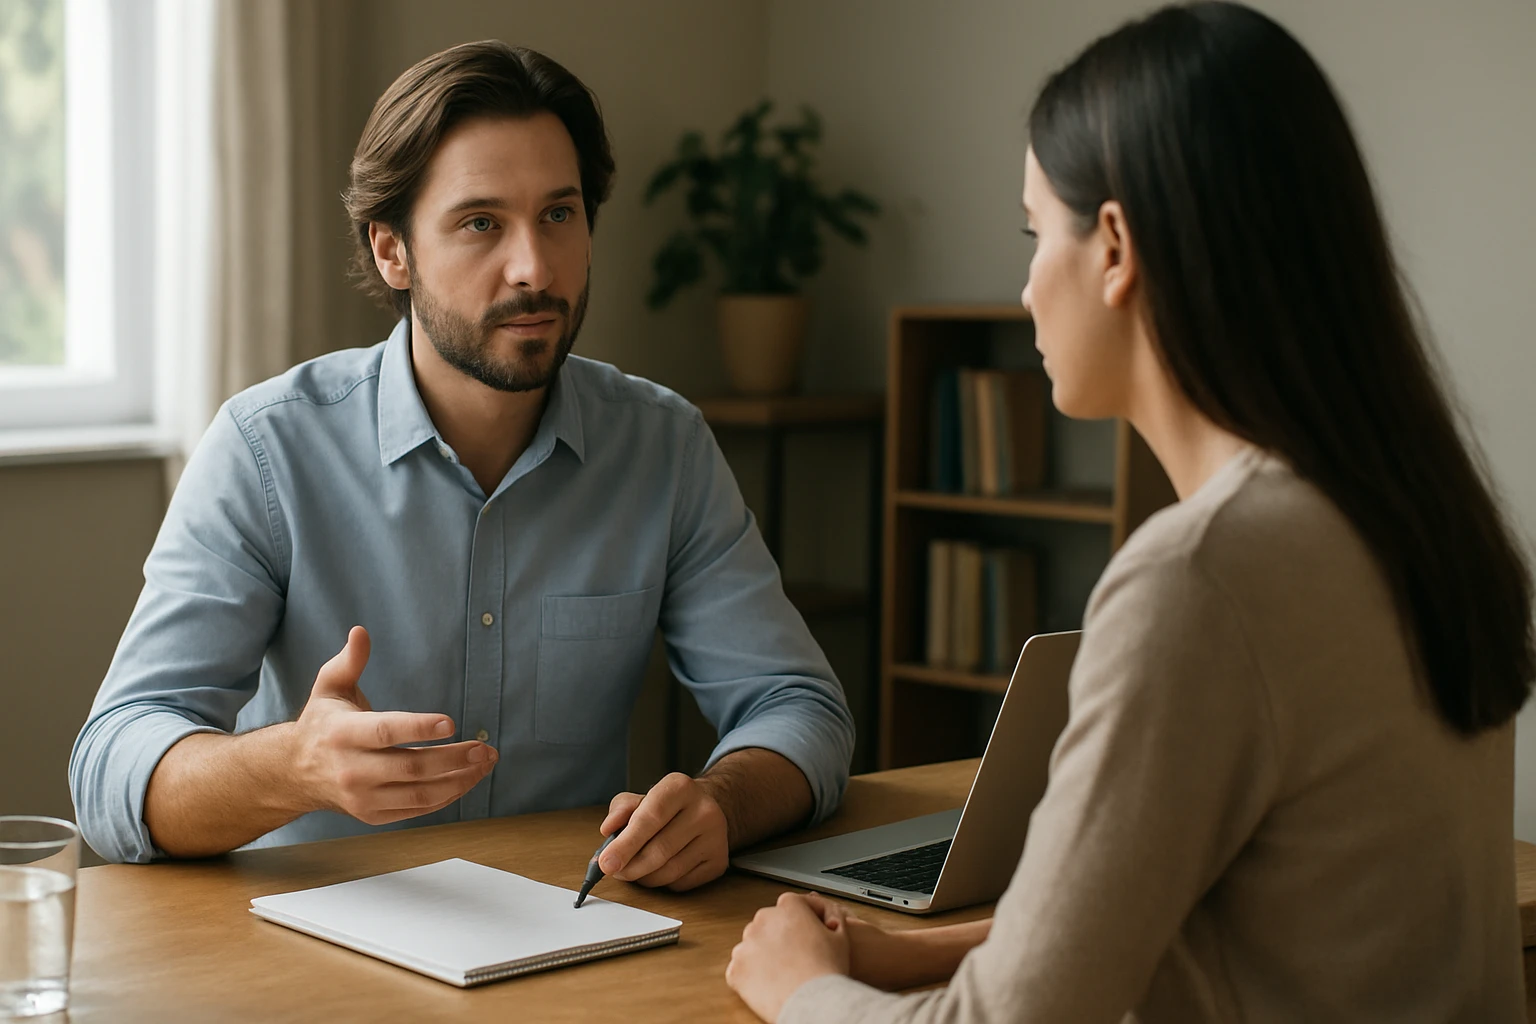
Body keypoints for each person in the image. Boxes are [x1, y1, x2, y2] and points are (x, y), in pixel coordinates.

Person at [725, 3, 1533, 1021]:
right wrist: (912, 952)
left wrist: (804, 987)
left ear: (1114, 246)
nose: (1024, 290)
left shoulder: (1205, 576)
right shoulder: (1409, 513)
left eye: (1034, 233)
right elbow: (1249, 901)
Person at [69, 40, 855, 886]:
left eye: (560, 214)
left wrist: (722, 804)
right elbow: (112, 764)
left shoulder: (664, 448)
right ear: (391, 252)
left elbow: (800, 706)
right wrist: (291, 767)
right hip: (310, 961)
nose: (535, 268)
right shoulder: (268, 448)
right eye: (482, 222)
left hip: (569, 939)